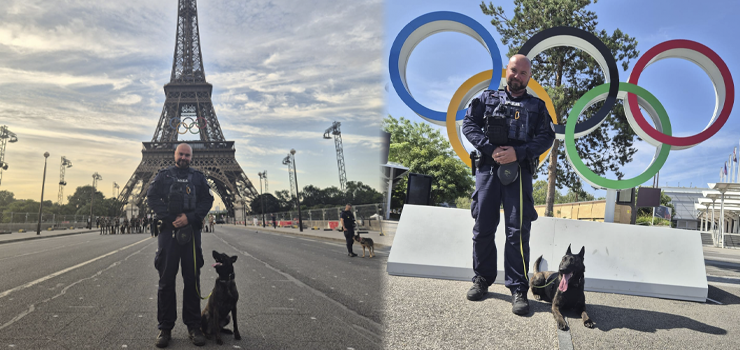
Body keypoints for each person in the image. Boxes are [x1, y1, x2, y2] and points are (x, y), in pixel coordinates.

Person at [462, 54, 555, 315]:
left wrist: (520, 153)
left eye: (523, 73)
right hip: (488, 171)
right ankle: (482, 279)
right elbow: (469, 124)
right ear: (507, 71)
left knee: (517, 233)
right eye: (514, 70)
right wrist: (491, 149)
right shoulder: (485, 99)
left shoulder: (537, 106)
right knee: (482, 229)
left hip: (519, 173)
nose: (517, 76)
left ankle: (517, 288)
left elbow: (547, 136)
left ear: (529, 77)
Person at [147, 143, 214, 347]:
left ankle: (193, 326)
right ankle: (165, 328)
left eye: (187, 155)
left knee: (192, 280)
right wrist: (169, 217)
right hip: (169, 232)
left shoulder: (198, 177)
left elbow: (207, 200)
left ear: (191, 157)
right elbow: (151, 197)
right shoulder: (163, 175)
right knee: (166, 281)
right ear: (174, 155)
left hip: (191, 233)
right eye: (181, 154)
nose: (184, 157)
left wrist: (190, 217)